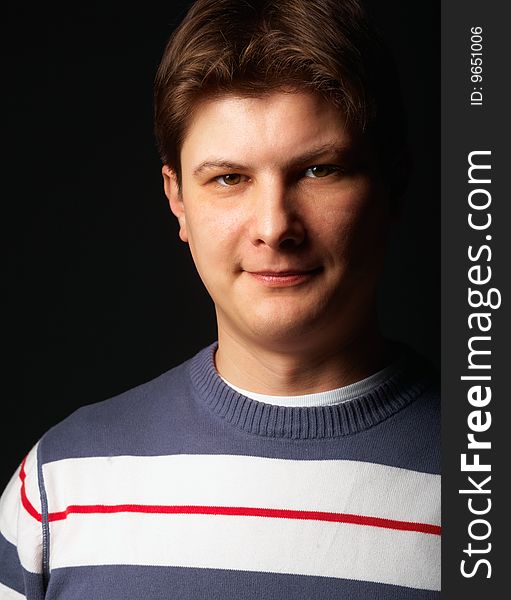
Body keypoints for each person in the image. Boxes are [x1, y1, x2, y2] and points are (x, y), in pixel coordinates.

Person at [0, 0, 440, 598]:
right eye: (229, 178)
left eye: (319, 170)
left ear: (395, 184)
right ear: (177, 199)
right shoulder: (60, 485)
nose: (274, 226)